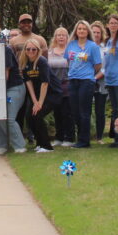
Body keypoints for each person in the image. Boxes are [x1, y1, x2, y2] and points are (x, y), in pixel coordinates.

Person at [0, 21, 25, 155]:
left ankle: (19, 146)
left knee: (8, 118)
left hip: (13, 88)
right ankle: (2, 145)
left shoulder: (5, 49)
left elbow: (5, 73)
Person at [65, 20, 103, 149]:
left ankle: (84, 140)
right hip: (73, 80)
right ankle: (80, 138)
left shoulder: (93, 46)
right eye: (79, 29)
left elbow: (98, 65)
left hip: (86, 81)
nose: (81, 31)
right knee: (75, 112)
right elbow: (67, 61)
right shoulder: (71, 45)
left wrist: (88, 73)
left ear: (88, 31)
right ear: (76, 31)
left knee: (84, 112)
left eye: (84, 29)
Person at [21, 41, 62, 153]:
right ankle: (39, 143)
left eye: (33, 49)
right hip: (38, 95)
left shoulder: (42, 62)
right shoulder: (25, 63)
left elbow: (45, 83)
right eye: (28, 49)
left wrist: (40, 103)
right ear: (25, 50)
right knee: (29, 117)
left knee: (38, 114)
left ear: (38, 50)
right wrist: (35, 101)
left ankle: (47, 146)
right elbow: (28, 83)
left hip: (52, 94)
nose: (31, 51)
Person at [47, 27, 74, 147]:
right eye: (59, 35)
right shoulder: (50, 52)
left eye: (63, 35)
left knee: (67, 113)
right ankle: (59, 137)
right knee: (57, 113)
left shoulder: (71, 51)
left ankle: (69, 137)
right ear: (55, 37)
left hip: (68, 85)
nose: (61, 37)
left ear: (67, 37)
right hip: (54, 86)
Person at [89, 21, 109, 143]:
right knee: (86, 110)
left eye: (98, 32)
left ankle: (100, 137)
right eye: (93, 32)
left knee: (100, 110)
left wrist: (96, 77)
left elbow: (106, 66)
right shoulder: (85, 46)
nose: (96, 34)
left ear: (101, 34)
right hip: (87, 81)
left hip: (101, 82)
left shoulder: (105, 48)